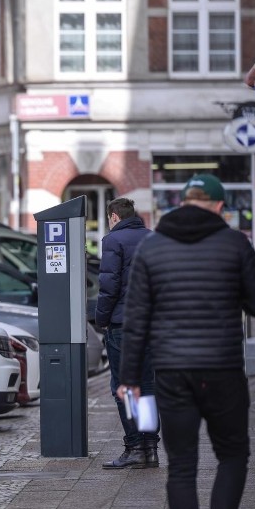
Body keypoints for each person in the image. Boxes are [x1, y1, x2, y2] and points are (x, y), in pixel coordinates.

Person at [118, 174, 255, 509]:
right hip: (223, 371)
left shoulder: (151, 247)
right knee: (233, 455)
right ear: (220, 206)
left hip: (172, 373)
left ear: (183, 202)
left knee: (182, 465)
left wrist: (129, 379)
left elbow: (135, 319)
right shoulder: (235, 244)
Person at [95, 197, 159, 469]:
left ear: (113, 217)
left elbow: (109, 287)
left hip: (123, 326)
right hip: (150, 325)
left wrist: (101, 319)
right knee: (145, 387)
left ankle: (134, 446)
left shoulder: (113, 241)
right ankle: (150, 448)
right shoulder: (153, 239)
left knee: (124, 388)